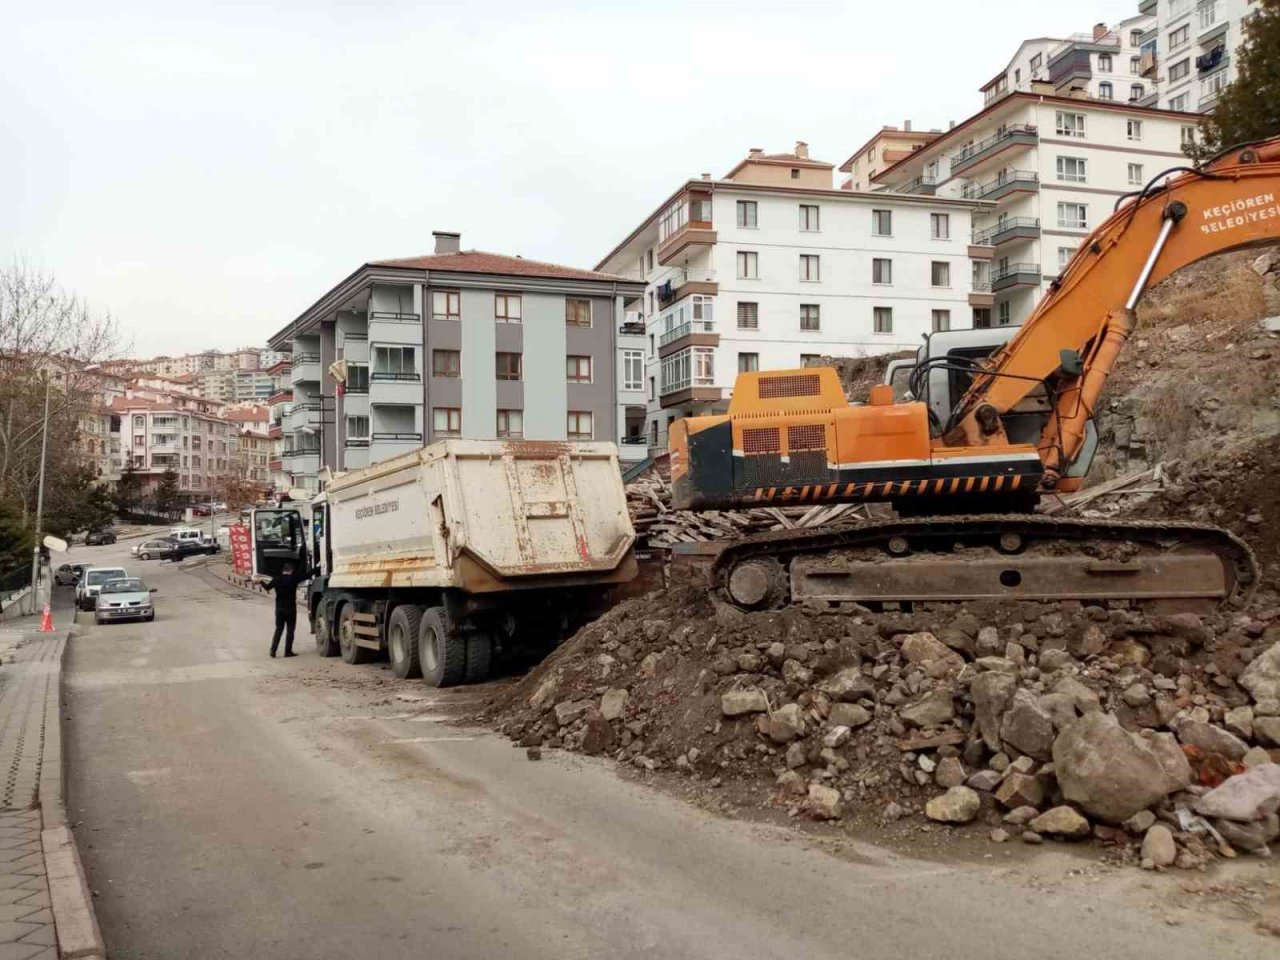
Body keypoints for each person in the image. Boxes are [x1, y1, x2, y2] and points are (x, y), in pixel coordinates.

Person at [263, 562, 304, 658]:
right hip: (291, 609)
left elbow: (267, 587)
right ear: (291, 571)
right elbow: (305, 577)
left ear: (283, 571)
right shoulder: (294, 579)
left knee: (278, 629)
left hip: (279, 609)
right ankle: (287, 652)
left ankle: (273, 650)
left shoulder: (276, 579)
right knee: (290, 631)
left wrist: (260, 581)